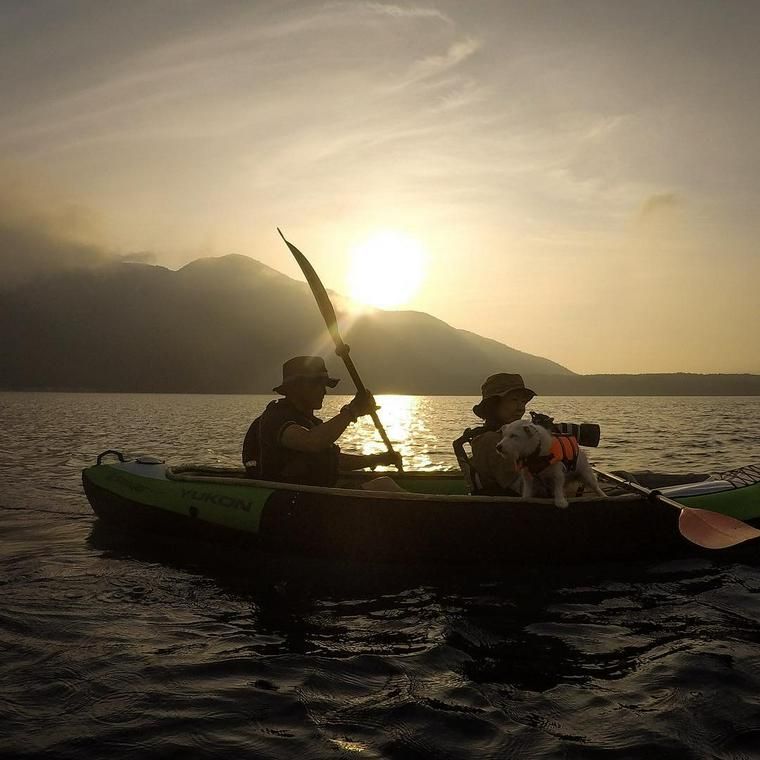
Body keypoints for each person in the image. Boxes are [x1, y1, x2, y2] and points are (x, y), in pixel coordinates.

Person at [242, 356, 401, 486]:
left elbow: (334, 460)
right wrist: (352, 411)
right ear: (298, 388)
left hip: (319, 498)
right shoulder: (275, 418)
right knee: (384, 486)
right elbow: (311, 442)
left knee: (384, 482)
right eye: (318, 385)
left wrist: (378, 459)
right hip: (292, 503)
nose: (325, 391)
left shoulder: (313, 423)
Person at [469, 373, 536, 495]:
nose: (521, 408)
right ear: (493, 405)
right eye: (514, 400)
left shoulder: (510, 437)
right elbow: (525, 489)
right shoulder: (492, 441)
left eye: (523, 401)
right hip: (511, 511)